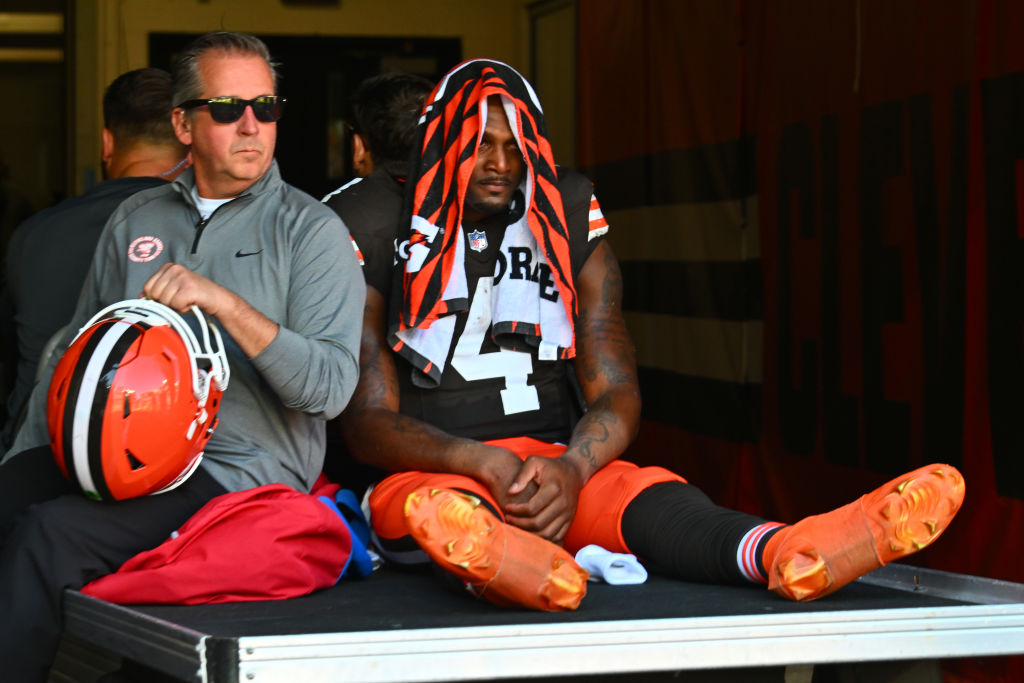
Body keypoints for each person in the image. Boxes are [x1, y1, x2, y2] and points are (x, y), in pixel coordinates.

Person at [339, 59, 965, 611]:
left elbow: (617, 388)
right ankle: (513, 564)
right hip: (437, 468)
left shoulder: (566, 207)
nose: (502, 164)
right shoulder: (373, 217)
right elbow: (366, 422)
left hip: (556, 466)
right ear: (441, 141)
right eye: (481, 145)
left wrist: (576, 468)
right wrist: (474, 459)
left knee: (648, 492)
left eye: (516, 145)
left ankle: (789, 549)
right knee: (427, 514)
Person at [0, 31, 364, 680]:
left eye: (266, 107)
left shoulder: (311, 231)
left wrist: (223, 304)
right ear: (183, 123)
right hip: (120, 446)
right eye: (227, 108)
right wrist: (28, 453)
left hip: (233, 468)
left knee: (51, 534)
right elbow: (82, 351)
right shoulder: (137, 218)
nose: (251, 124)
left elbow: (331, 388)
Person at [1, 68, 191, 442]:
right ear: (189, 144)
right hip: (155, 454)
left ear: (106, 144)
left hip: (37, 447)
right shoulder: (206, 235)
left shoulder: (33, 234)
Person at [321, 71, 434, 493]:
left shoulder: (328, 217)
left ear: (358, 146)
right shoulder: (490, 207)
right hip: (491, 438)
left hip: (363, 461)